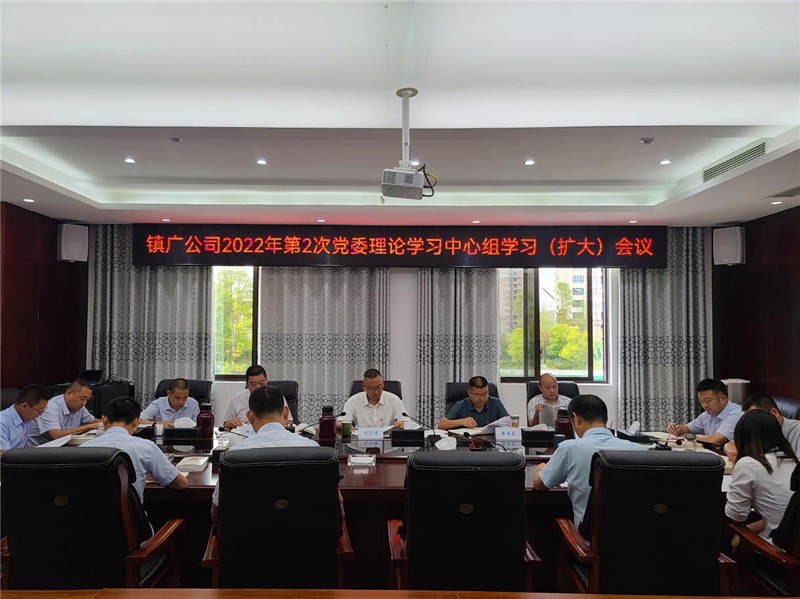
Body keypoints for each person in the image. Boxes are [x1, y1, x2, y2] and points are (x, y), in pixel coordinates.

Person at [533, 394, 644, 527]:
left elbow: (540, 485)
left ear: (576, 418)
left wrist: (540, 469)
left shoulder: (568, 449)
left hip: (588, 538)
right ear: (605, 418)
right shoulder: (639, 450)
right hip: (634, 535)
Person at [211, 386, 320, 521]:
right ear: (286, 413)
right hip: (304, 532)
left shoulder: (233, 456)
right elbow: (335, 502)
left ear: (250, 417)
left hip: (248, 534)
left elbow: (216, 513)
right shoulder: (313, 450)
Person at [83, 396, 188, 502]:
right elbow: (181, 483)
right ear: (136, 422)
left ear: (104, 420)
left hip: (88, 513)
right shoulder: (146, 447)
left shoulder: (83, 449)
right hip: (127, 513)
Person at [725, 409, 798, 546]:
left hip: (779, 547)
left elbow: (736, 516)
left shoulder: (748, 463)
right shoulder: (793, 460)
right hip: (790, 536)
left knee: (721, 533)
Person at [724, 392, 800, 461]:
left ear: (774, 412)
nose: (753, 423)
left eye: (756, 418)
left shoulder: (797, 431)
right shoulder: (756, 428)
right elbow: (730, 445)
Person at [667, 379, 743, 444]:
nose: (704, 405)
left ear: (722, 399)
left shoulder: (736, 414)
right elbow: (687, 428)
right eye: (701, 401)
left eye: (708, 401)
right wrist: (677, 429)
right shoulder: (707, 414)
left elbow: (715, 440)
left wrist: (687, 436)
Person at [28, 379, 100, 445]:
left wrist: (105, 422)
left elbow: (94, 422)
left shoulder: (80, 407)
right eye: (82, 399)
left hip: (60, 447)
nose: (84, 403)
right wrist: (88, 427)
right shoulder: (51, 407)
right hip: (38, 448)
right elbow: (56, 435)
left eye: (87, 400)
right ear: (69, 393)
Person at [222, 365, 292, 430]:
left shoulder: (276, 396)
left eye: (261, 383)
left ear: (266, 381)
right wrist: (231, 424)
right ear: (247, 384)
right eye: (253, 384)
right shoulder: (237, 399)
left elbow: (289, 421)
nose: (258, 387)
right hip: (244, 436)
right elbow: (225, 424)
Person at [338, 369, 409, 430]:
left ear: (383, 384)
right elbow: (340, 422)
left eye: (379, 387)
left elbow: (406, 422)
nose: (376, 391)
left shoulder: (394, 400)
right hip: (361, 439)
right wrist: (343, 425)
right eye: (372, 388)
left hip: (387, 440)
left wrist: (401, 423)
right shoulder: (354, 401)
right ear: (363, 386)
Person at [437, 376, 509, 430]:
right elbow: (441, 425)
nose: (481, 398)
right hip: (466, 443)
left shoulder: (495, 403)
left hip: (490, 443)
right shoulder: (461, 405)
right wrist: (462, 421)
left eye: (485, 393)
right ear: (469, 393)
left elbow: (508, 423)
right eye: (477, 395)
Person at [0, 384, 51, 451]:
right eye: (39, 410)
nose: (40, 414)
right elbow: (3, 454)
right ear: (24, 406)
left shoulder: (25, 419)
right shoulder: (2, 423)